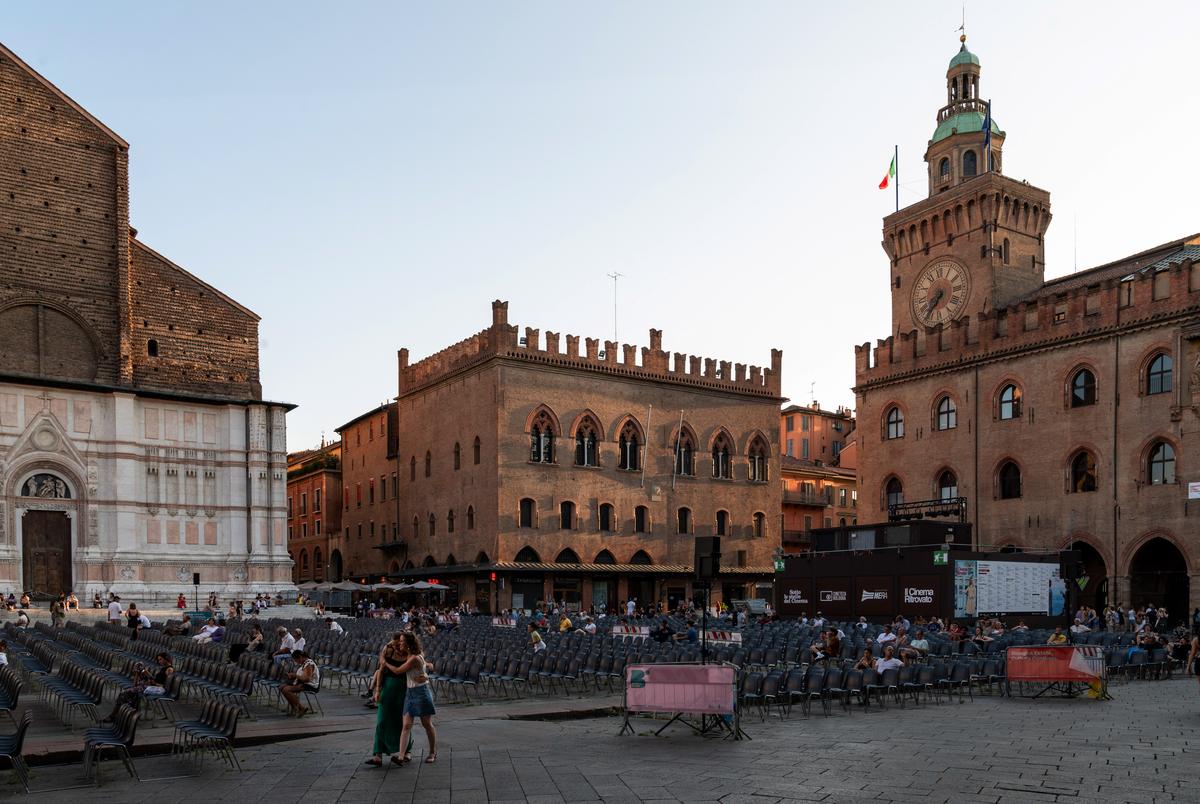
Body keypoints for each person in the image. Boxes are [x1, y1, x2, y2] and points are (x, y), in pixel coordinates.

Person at [365, 632, 418, 767]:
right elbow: (381, 670)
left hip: (405, 689)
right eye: (397, 642)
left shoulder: (411, 653)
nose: (397, 645)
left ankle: (406, 751)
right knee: (382, 720)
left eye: (400, 642)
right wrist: (377, 690)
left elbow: (418, 665)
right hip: (388, 687)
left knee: (404, 721)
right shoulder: (388, 649)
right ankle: (378, 755)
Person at [394, 633, 438, 765]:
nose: (399, 643)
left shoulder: (413, 657)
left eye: (402, 641)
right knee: (406, 725)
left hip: (421, 692)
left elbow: (397, 671)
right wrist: (428, 669)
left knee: (427, 724)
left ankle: (432, 752)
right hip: (410, 693)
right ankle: (401, 757)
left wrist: (384, 663)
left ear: (408, 643)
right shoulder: (410, 654)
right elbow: (427, 665)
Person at [104, 652, 173, 722]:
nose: (159, 661)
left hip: (155, 687)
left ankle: (113, 716)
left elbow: (166, 686)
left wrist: (154, 683)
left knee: (123, 694)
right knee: (139, 665)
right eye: (158, 660)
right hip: (151, 683)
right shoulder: (164, 668)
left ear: (166, 659)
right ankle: (136, 684)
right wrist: (148, 675)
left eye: (161, 659)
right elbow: (156, 679)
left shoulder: (169, 670)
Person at [280, 650, 320, 717]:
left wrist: (295, 675)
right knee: (281, 687)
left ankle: (301, 708)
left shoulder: (309, 664)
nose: (296, 662)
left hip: (310, 685)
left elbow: (307, 679)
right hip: (303, 683)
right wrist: (292, 676)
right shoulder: (304, 663)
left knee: (286, 690)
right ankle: (295, 707)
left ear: (300, 657)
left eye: (296, 660)